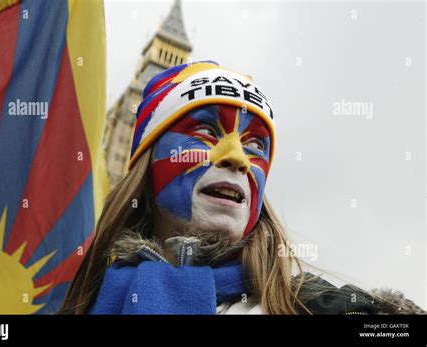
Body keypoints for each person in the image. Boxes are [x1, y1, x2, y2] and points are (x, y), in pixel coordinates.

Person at [59, 61, 424, 315]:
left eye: (255, 145)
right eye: (205, 132)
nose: (238, 158)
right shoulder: (80, 300)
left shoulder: (320, 309)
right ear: (147, 167)